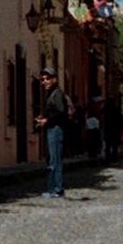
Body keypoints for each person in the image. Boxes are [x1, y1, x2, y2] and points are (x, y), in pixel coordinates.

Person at [34, 68, 69, 198]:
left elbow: (60, 112)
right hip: (51, 128)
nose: (45, 81)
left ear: (54, 79)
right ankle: (53, 188)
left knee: (55, 159)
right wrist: (42, 118)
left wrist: (47, 120)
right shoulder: (50, 94)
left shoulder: (57, 94)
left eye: (47, 78)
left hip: (56, 129)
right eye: (42, 79)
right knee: (51, 158)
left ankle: (57, 189)